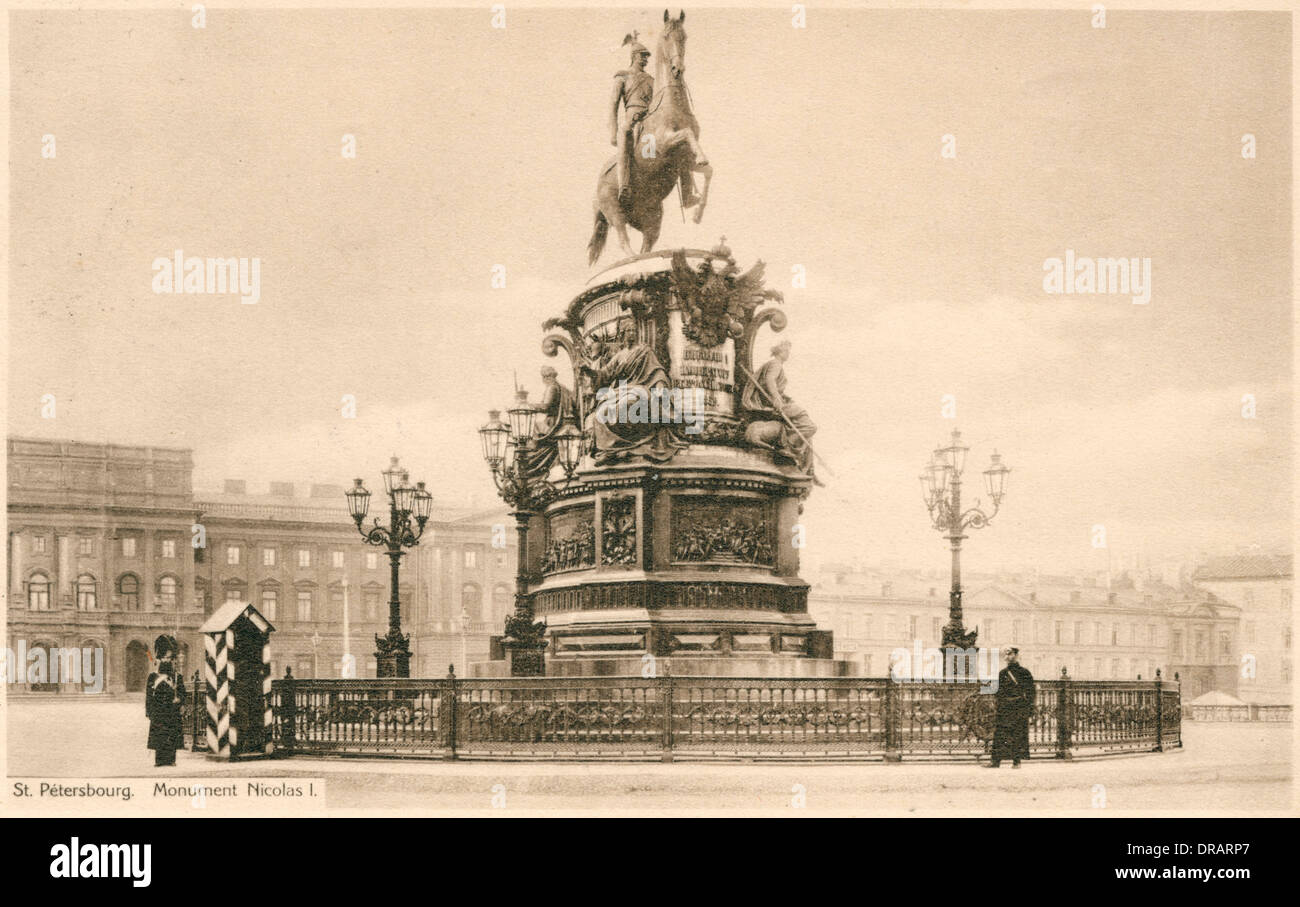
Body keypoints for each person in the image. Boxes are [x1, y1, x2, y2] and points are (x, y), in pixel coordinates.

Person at [989, 646, 1035, 768]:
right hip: (1005, 709)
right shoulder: (1002, 673)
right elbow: (997, 692)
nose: (1007, 657)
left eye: (1009, 654)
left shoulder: (1025, 673)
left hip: (1018, 709)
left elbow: (1031, 692)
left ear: (1015, 655)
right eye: (1005, 655)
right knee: (1000, 734)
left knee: (1017, 735)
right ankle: (995, 761)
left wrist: (1029, 708)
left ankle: (1017, 761)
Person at [146, 658, 183, 767]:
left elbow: (182, 692)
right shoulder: (153, 676)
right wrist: (149, 710)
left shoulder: (177, 677)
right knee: (159, 736)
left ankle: (171, 760)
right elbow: (149, 695)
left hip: (172, 710)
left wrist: (179, 699)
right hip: (158, 711)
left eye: (168, 659)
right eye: (164, 658)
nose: (166, 661)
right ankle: (159, 760)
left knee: (172, 736)